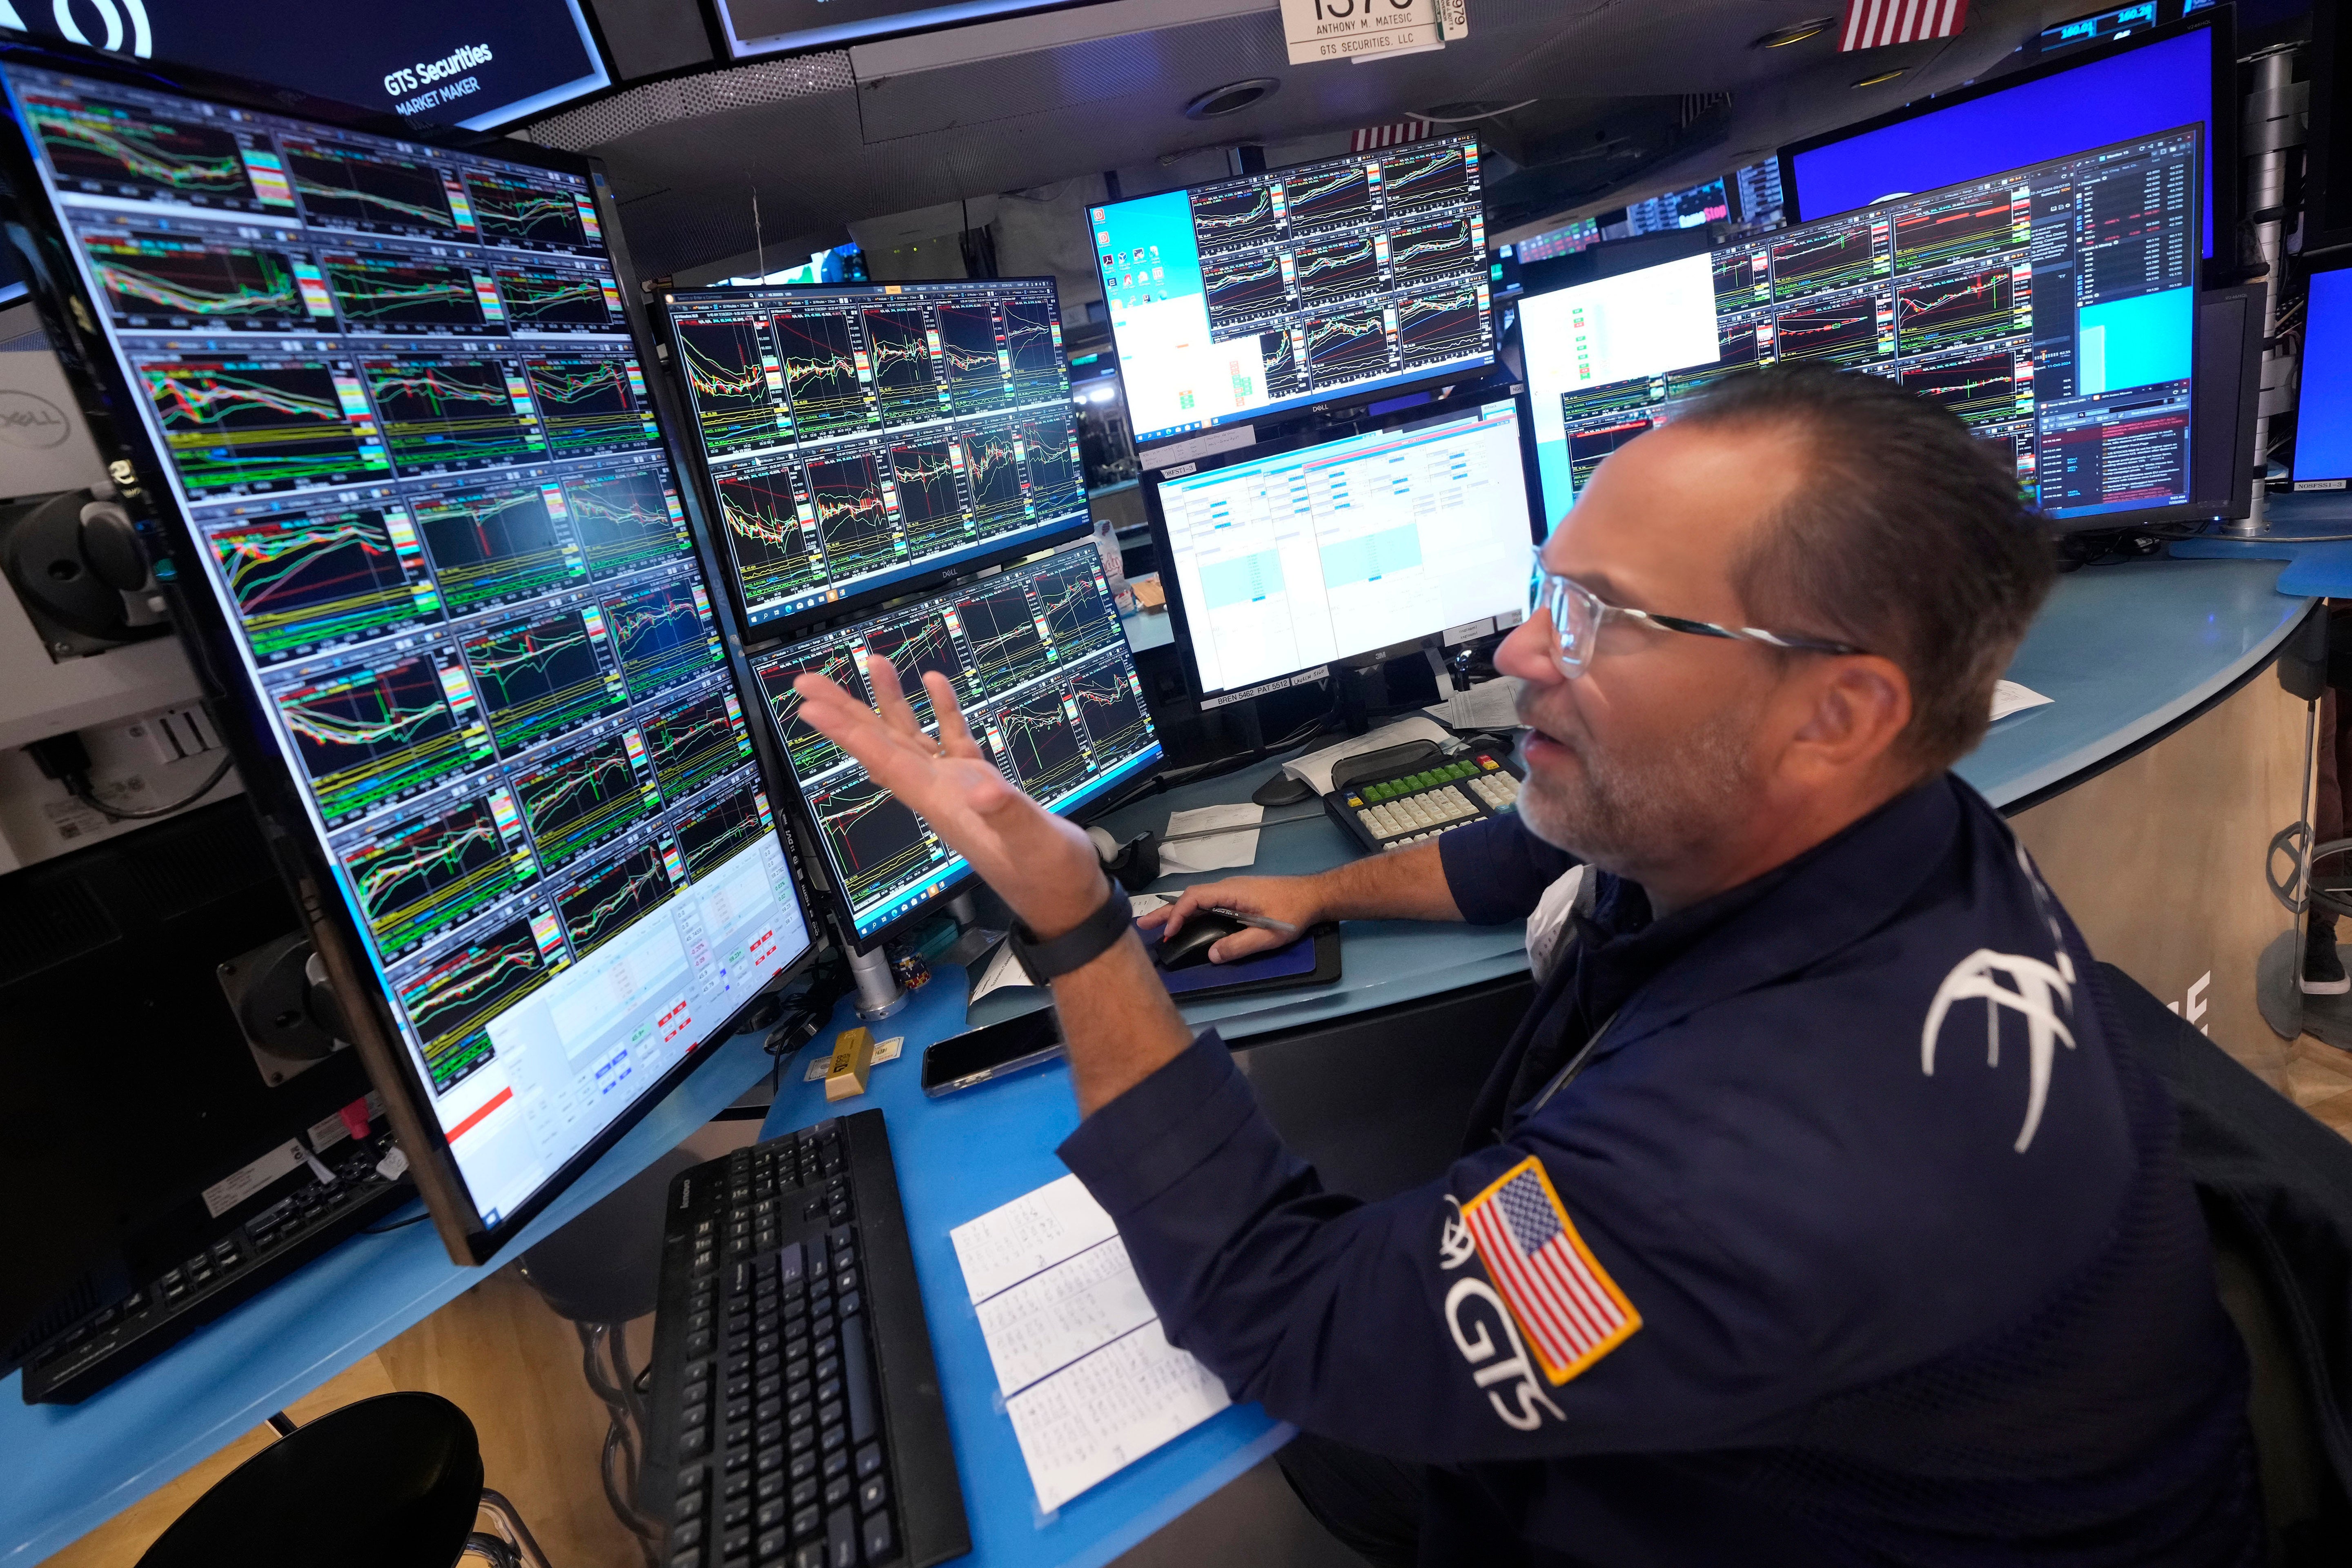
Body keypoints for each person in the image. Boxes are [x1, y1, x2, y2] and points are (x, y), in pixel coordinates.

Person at [791, 364, 2260, 1566]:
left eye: (1606, 618)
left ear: (1840, 711)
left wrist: (1076, 919)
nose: (1521, 649)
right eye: (1553, 589)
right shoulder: (1889, 821)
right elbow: (1541, 854)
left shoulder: (1751, 1169)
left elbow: (1280, 1312)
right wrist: (1324, 895)